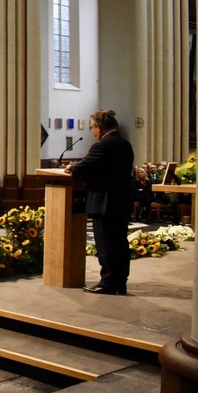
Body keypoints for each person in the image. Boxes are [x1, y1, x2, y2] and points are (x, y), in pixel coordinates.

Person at [66, 110, 134, 295]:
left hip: (105, 203)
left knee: (106, 245)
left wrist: (71, 167)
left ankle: (108, 282)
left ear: (99, 127)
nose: (92, 132)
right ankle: (120, 283)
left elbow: (83, 167)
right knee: (120, 243)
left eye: (92, 128)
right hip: (121, 202)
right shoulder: (125, 144)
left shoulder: (103, 145)